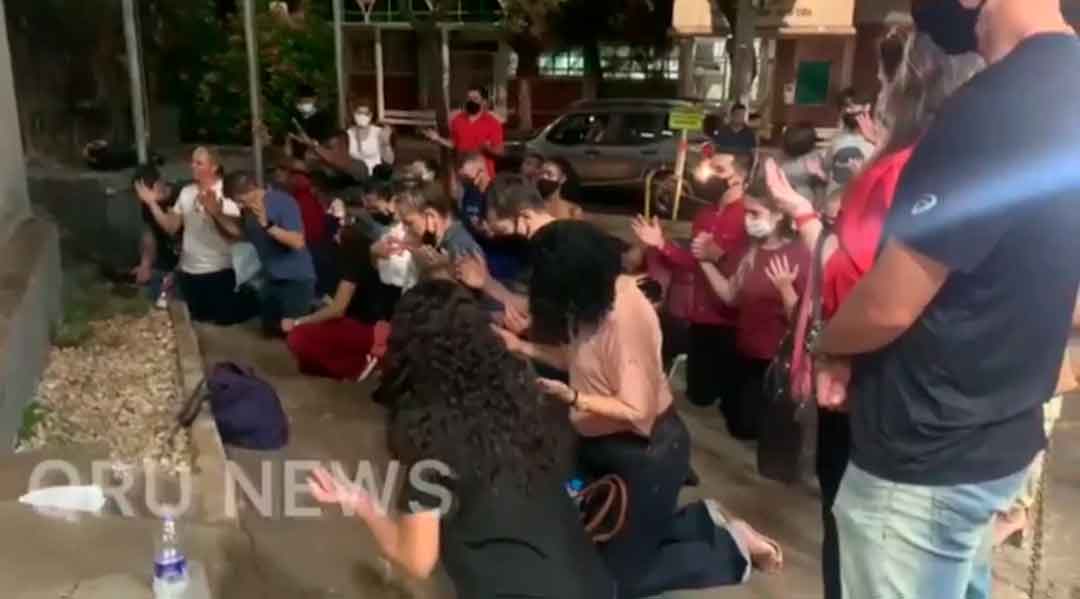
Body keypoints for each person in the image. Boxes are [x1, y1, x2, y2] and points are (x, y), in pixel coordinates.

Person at [802, 2, 1080, 597]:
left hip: (928, 450)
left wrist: (825, 345)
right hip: (999, 434)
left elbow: (889, 305)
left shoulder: (994, 106)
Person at [765, 29, 983, 599]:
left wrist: (826, 346)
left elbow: (872, 289)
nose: (878, 95)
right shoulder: (947, 160)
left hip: (879, 398)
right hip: (925, 407)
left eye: (887, 79)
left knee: (868, 562)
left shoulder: (908, 170)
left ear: (915, 82)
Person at [493, 220, 782, 598]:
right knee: (591, 542)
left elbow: (637, 409)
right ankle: (698, 521)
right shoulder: (587, 304)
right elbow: (579, 362)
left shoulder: (624, 313)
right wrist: (522, 347)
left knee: (611, 585)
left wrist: (576, 399)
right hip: (600, 446)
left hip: (647, 454)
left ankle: (731, 547)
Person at [308, 279, 614, 598]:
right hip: (589, 580)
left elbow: (416, 560)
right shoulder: (520, 391)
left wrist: (362, 504)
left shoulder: (428, 431)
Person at [632, 152, 751, 411]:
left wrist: (718, 256)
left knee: (733, 407)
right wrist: (661, 245)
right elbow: (695, 263)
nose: (706, 176)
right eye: (707, 168)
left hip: (734, 321)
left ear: (739, 178)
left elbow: (747, 268)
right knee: (699, 395)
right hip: (700, 316)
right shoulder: (705, 214)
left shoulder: (750, 216)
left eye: (717, 170)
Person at [696, 179, 810, 439]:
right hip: (745, 354)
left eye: (755, 213)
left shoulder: (800, 255)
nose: (747, 219)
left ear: (779, 214)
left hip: (775, 363)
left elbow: (805, 319)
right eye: (746, 212)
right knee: (738, 426)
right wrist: (703, 262)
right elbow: (730, 295)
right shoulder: (750, 252)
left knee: (759, 432)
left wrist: (785, 289)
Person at [140, 147, 255, 325]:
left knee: (223, 318)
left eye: (198, 163)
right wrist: (152, 203)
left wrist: (216, 213)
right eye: (192, 162)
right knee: (195, 316)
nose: (192, 166)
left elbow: (237, 234)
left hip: (218, 271)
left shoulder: (227, 192)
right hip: (190, 272)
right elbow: (171, 227)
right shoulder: (187, 192)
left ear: (214, 167)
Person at [284, 224, 399, 380]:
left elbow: (338, 308)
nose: (335, 236)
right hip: (378, 326)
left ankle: (358, 366)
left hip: (368, 328)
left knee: (298, 337)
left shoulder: (354, 259)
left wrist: (298, 322)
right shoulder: (373, 259)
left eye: (339, 233)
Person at [222, 171, 316, 336]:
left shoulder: (283, 202)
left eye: (240, 201)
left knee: (295, 337)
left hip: (295, 281)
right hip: (271, 281)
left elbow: (297, 241)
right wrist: (215, 213)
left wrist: (268, 226)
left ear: (251, 189)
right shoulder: (249, 210)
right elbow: (243, 234)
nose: (240, 206)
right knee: (269, 334)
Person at [458, 151, 527, 283]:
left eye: (467, 177)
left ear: (482, 172)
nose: (465, 182)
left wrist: (492, 230)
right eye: (462, 178)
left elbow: (516, 230)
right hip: (480, 260)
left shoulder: (501, 194)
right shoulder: (469, 194)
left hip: (505, 264)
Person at [394, 183, 482, 280]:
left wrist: (435, 269)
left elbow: (464, 292)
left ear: (431, 216)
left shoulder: (459, 246)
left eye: (409, 223)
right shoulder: (444, 243)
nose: (405, 230)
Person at [423, 86, 504, 178]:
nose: (471, 101)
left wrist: (486, 150)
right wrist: (437, 138)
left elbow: (499, 152)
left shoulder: (493, 123)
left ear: (484, 102)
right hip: (461, 174)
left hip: (483, 176)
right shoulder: (457, 120)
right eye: (469, 98)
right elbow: (454, 143)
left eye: (475, 98)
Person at [131, 164, 181, 307]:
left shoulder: (181, 197)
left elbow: (171, 228)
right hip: (166, 257)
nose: (142, 199)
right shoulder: (148, 202)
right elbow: (149, 233)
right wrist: (145, 264)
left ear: (159, 184)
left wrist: (152, 203)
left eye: (145, 194)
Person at [822, 92, 876, 195]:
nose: (848, 110)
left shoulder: (877, 138)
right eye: (845, 107)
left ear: (867, 107)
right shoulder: (838, 138)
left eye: (851, 106)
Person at [778, 122, 827, 208]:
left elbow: (819, 187)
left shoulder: (813, 157)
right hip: (784, 200)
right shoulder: (781, 155)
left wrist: (817, 207)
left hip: (803, 202)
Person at [347, 98, 394, 174]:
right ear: (354, 114)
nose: (362, 116)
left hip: (374, 176)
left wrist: (386, 143)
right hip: (354, 176)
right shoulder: (348, 134)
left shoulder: (378, 132)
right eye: (359, 113)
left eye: (366, 114)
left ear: (371, 115)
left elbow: (389, 161)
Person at [289, 83, 335, 158]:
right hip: (298, 160)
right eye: (301, 101)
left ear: (314, 99)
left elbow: (328, 138)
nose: (303, 104)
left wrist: (314, 142)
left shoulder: (324, 117)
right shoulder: (295, 118)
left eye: (307, 101)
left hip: (320, 158)